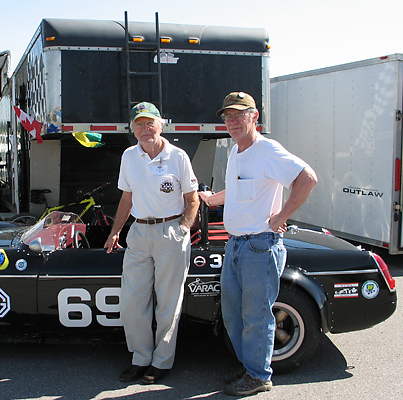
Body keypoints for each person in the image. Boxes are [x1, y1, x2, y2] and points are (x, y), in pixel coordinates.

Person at [199, 92, 318, 396]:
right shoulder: (237, 151)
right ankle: (250, 364)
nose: (233, 121)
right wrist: (213, 199)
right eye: (228, 116)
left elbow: (307, 178)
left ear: (255, 117)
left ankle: (259, 375)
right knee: (233, 314)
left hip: (259, 247)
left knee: (256, 316)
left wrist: (281, 214)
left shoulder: (268, 150)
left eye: (240, 115)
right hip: (236, 245)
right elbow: (241, 188)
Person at [104, 102, 200, 384]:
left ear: (161, 125)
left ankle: (161, 362)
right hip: (139, 233)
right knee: (133, 301)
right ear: (132, 128)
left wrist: (182, 229)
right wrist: (115, 231)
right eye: (139, 124)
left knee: (168, 303)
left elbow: (192, 199)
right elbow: (126, 198)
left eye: (150, 123)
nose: (145, 129)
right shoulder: (129, 156)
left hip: (170, 231)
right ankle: (140, 358)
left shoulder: (178, 156)